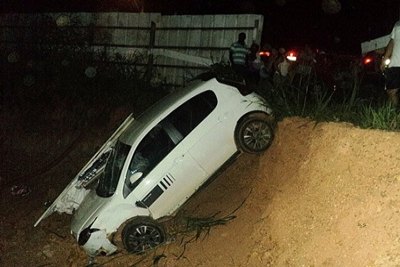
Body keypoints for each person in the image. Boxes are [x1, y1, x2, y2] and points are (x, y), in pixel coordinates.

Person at [381, 20, 400, 107]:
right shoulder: (397, 24)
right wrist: (384, 58)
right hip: (395, 63)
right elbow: (392, 42)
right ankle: (395, 115)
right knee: (391, 91)